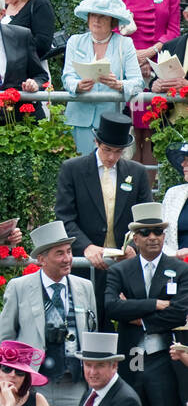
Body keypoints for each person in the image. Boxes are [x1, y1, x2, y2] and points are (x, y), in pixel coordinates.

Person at [103, 201, 188, 406]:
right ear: (134, 239)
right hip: (132, 355)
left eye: (158, 232)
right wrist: (154, 304)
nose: (153, 237)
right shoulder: (120, 271)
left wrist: (135, 314)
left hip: (165, 356)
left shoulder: (179, 270)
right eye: (145, 233)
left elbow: (179, 313)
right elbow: (111, 307)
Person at [0, 220, 98, 406]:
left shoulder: (85, 287)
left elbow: (91, 330)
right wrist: (13, 378)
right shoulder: (19, 287)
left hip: (73, 382)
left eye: (69, 252)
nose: (67, 259)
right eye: (59, 253)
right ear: (41, 259)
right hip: (34, 381)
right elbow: (6, 339)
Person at [54, 111, 150, 326]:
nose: (111, 157)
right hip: (85, 265)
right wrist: (86, 246)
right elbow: (64, 216)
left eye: (118, 151)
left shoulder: (137, 172)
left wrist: (134, 246)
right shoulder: (72, 169)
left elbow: (145, 220)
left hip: (125, 264)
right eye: (107, 149)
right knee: (87, 325)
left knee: (128, 330)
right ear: (96, 142)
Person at [111, 0, 184, 164]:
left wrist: (151, 53)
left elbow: (173, 31)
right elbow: (113, 28)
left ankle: (146, 195)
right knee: (131, 133)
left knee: (151, 132)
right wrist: (134, 58)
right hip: (126, 65)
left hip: (158, 64)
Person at [34, 331, 144, 406]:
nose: (92, 372)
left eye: (99, 366)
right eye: (88, 365)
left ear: (114, 366)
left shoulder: (126, 400)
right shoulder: (91, 391)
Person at [62, 0, 142, 153]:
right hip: (78, 119)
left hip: (110, 121)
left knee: (106, 171)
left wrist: (119, 85)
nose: (96, 20)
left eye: (103, 17)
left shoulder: (125, 44)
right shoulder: (75, 41)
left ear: (112, 21)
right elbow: (67, 77)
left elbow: (137, 82)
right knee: (79, 169)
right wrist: (77, 85)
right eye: (93, 15)